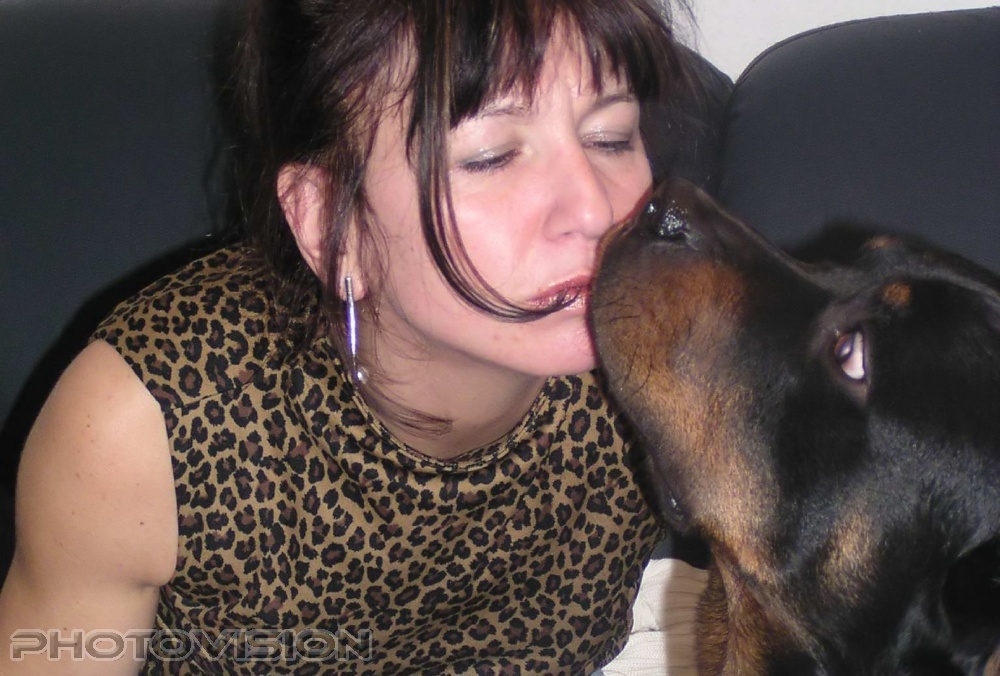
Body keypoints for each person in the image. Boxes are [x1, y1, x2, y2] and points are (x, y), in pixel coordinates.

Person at [0, 0, 700, 672]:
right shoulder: (151, 427)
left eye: (611, 137)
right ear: (328, 222)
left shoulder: (676, 352)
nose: (595, 208)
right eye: (491, 156)